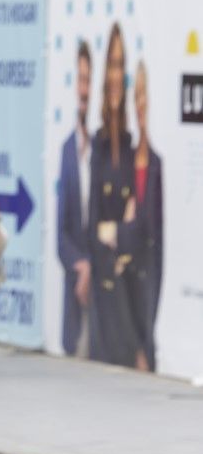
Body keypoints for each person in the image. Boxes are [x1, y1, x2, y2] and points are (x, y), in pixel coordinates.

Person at [88, 23, 141, 368]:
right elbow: (94, 224)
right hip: (104, 295)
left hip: (131, 291)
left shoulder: (136, 144)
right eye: (111, 64)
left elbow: (139, 225)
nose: (115, 74)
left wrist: (118, 233)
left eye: (121, 65)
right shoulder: (99, 143)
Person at [56, 40, 94, 358]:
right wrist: (80, 266)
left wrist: (93, 266)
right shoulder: (67, 149)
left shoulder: (111, 150)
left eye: (89, 80)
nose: (84, 90)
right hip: (75, 293)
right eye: (79, 80)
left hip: (107, 301)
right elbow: (61, 232)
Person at [130, 60, 163, 372]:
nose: (140, 104)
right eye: (135, 95)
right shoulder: (119, 161)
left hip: (148, 302)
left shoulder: (157, 165)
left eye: (145, 96)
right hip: (121, 310)